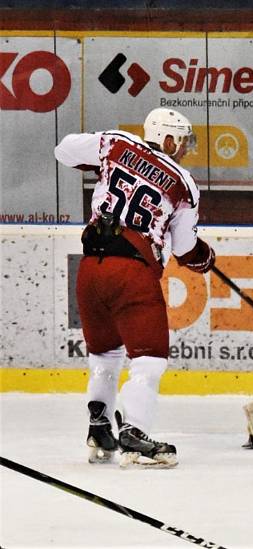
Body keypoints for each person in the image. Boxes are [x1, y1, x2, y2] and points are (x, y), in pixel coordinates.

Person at [54, 108, 215, 468]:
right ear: (168, 139)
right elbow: (187, 248)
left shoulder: (116, 143)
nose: (185, 148)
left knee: (105, 354)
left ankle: (99, 426)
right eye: (183, 140)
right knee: (149, 358)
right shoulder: (182, 182)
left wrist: (99, 165)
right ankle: (134, 431)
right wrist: (205, 257)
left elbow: (63, 150)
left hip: (90, 269)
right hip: (132, 274)